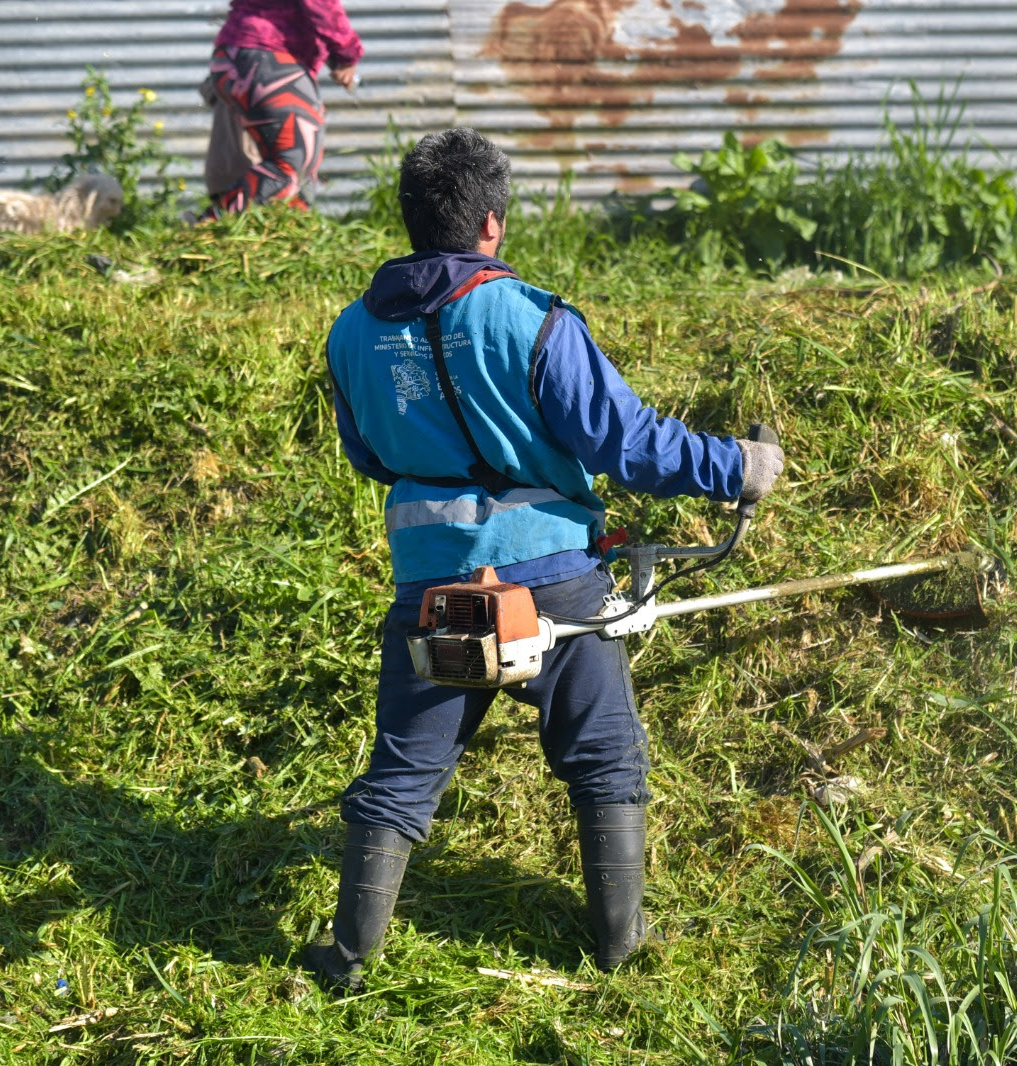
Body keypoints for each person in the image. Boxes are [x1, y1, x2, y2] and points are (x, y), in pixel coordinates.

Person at [303, 128, 784, 993]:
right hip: (553, 583)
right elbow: (625, 442)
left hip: (431, 587)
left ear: (412, 218)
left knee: (402, 773)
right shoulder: (527, 317)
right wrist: (737, 467)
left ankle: (345, 961)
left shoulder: (350, 333)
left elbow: (370, 456)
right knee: (603, 755)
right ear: (492, 221)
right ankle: (619, 948)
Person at [198, 0, 363, 220]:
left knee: (297, 168)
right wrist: (347, 52)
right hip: (266, 55)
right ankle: (208, 226)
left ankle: (291, 232)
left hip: (243, 54)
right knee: (292, 165)